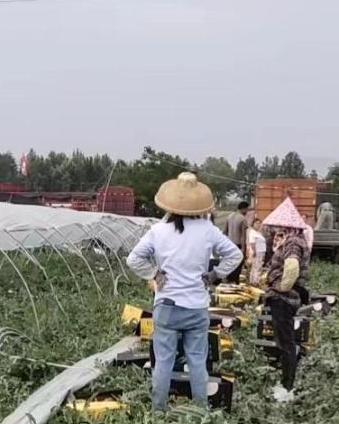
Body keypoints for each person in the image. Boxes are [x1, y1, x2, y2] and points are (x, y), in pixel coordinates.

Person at [126, 171, 242, 411]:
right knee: (197, 361)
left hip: (167, 306)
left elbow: (134, 259)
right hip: (196, 307)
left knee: (164, 362)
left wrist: (154, 275)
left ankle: (158, 410)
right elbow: (235, 255)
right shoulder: (208, 230)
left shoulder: (159, 230)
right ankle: (200, 410)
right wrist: (214, 275)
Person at [262, 198, 311, 403]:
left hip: (283, 299)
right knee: (285, 342)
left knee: (286, 343)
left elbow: (291, 268)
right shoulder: (296, 240)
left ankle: (287, 387)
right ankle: (286, 383)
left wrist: (281, 287)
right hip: (285, 298)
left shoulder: (292, 242)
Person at [224, 199, 250, 279]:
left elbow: (225, 232)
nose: (247, 212)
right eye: (247, 210)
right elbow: (243, 235)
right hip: (238, 244)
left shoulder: (229, 217)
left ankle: (228, 278)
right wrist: (243, 248)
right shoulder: (243, 219)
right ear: (243, 209)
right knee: (238, 263)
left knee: (229, 262)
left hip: (229, 244)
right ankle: (234, 280)